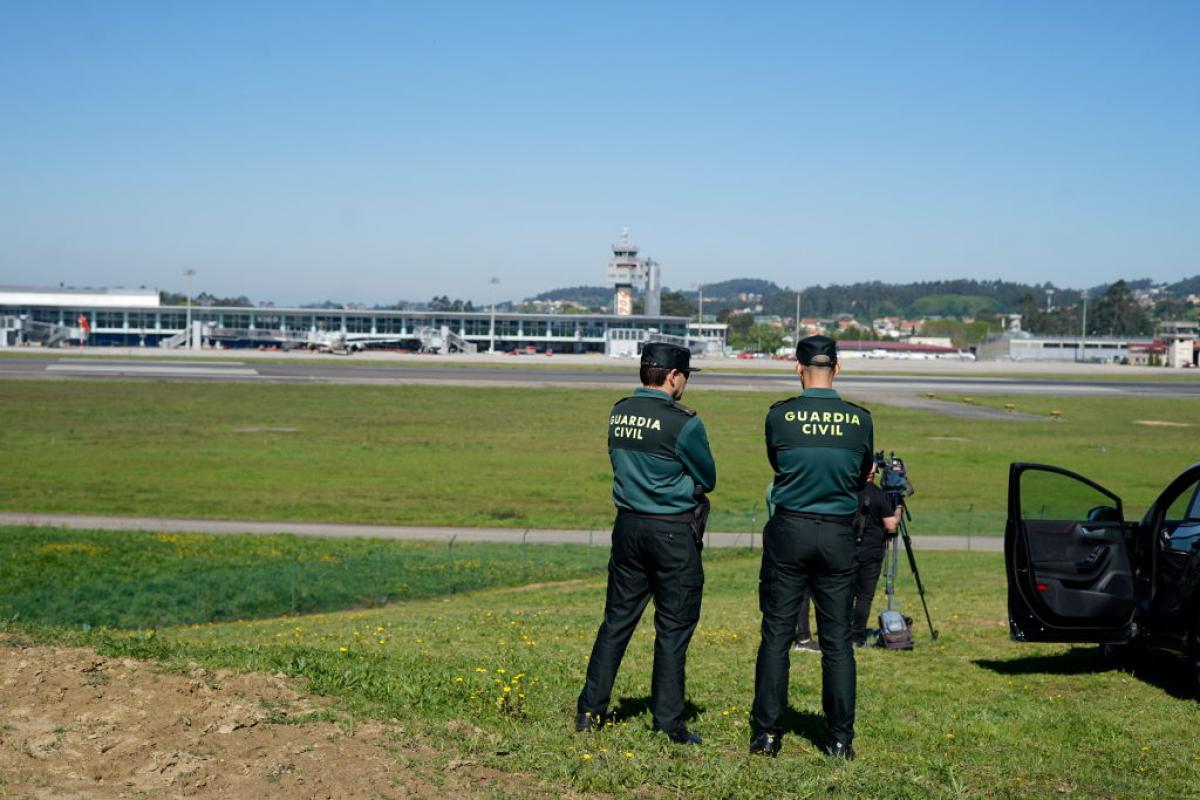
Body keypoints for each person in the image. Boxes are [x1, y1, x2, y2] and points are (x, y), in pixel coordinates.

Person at [576, 342, 716, 745]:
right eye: (685, 376)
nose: (685, 384)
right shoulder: (684, 422)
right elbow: (707, 477)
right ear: (673, 376)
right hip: (671, 530)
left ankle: (590, 712)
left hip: (628, 527)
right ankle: (668, 723)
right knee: (673, 627)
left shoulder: (620, 411)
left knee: (616, 621)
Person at [749, 335, 873, 760]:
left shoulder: (780, 416)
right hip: (838, 532)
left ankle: (767, 734)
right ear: (837, 368)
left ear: (797, 368)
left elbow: (776, 462)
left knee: (776, 635)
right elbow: (862, 473)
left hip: (790, 528)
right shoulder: (859, 420)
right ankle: (839, 739)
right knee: (836, 640)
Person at [790, 460, 902, 650]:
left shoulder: (845, 492)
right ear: (874, 473)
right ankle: (856, 636)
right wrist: (898, 508)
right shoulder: (879, 495)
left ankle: (840, 632)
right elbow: (891, 525)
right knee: (864, 596)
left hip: (845, 550)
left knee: (844, 594)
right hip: (871, 552)